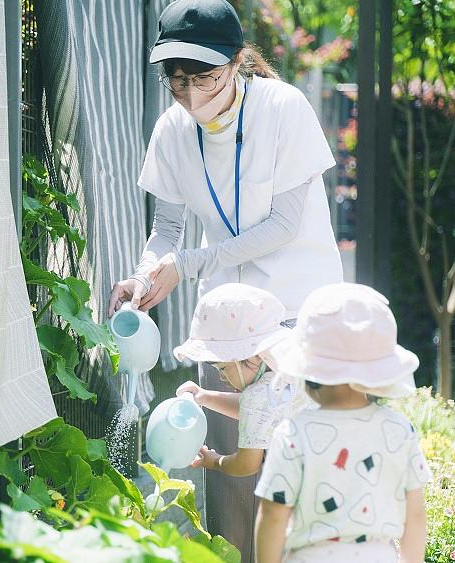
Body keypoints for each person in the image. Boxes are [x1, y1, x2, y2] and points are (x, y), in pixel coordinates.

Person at [106, 0, 343, 559]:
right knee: (233, 482)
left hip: (295, 314)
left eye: (205, 77)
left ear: (237, 62)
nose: (190, 97)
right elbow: (165, 227)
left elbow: (284, 224)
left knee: (305, 476)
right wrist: (143, 279)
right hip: (225, 325)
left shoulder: (284, 107)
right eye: (176, 81)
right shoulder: (171, 129)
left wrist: (186, 265)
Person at [255, 283, 430, 563]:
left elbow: (274, 515)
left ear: (308, 371)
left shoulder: (292, 433)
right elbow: (415, 514)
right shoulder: (400, 430)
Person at [173, 284, 313, 479]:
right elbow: (263, 411)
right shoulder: (303, 363)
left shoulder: (258, 397)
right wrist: (204, 396)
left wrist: (214, 461)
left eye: (223, 368)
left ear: (249, 355)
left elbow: (246, 464)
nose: (222, 377)